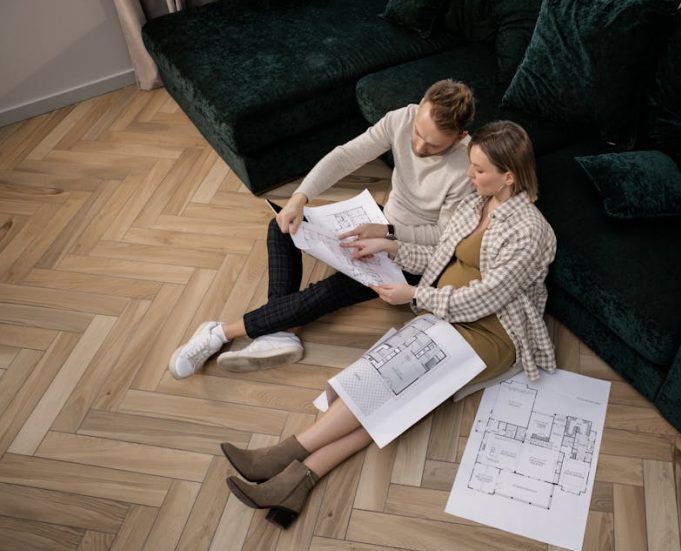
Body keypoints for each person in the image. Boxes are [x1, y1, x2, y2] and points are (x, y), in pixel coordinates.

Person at [220, 120, 558, 529]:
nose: (469, 176)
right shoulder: (477, 201)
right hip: (444, 315)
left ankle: (282, 454)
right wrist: (390, 248)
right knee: (384, 388)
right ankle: (295, 483)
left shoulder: (530, 231)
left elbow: (486, 297)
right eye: (470, 166)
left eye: (479, 170)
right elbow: (441, 256)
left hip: (492, 334)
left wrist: (414, 296)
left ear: (509, 176)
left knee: (389, 381)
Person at [168, 80, 477, 379]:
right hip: (380, 222)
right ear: (420, 105)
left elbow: (444, 237)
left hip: (412, 252)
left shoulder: (467, 167)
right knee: (283, 225)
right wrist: (299, 198)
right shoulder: (403, 117)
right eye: (418, 133)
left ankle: (218, 333)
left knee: (330, 291)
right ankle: (280, 331)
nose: (419, 146)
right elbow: (346, 156)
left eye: (433, 144)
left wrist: (388, 232)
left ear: (460, 136)